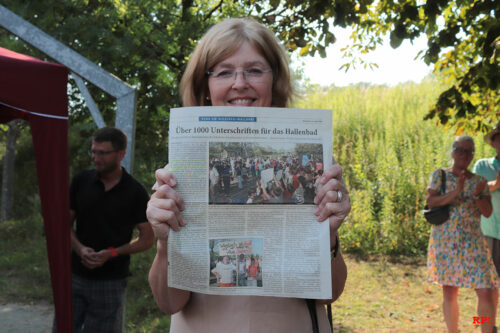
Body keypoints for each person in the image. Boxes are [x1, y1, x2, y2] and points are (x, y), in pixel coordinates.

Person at [147, 17, 349, 332]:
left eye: (254, 70)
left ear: (275, 81)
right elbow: (168, 303)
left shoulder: (318, 160)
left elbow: (330, 294)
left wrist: (331, 236)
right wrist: (164, 242)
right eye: (224, 71)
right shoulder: (177, 174)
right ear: (205, 87)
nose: (240, 83)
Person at [61, 127, 154, 333]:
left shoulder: (135, 192)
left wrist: (111, 253)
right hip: (75, 275)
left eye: (102, 153)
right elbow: (62, 225)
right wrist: (79, 249)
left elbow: (147, 239)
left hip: (111, 281)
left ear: (121, 154)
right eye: (93, 152)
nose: (96, 158)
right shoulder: (81, 181)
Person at [426, 135, 498, 333]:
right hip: (446, 243)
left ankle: (483, 327)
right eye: (460, 150)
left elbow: (487, 212)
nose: (464, 155)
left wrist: (476, 195)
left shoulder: (480, 181)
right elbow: (431, 202)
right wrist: (456, 191)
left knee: (485, 290)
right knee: (450, 292)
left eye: (469, 151)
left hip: (473, 243)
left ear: (473, 155)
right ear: (452, 151)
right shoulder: (439, 175)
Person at [473, 122, 500, 331]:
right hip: (486, 233)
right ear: (493, 142)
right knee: (485, 289)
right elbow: (473, 191)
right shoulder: (482, 166)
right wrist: (496, 184)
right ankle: (484, 327)